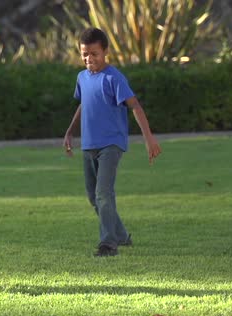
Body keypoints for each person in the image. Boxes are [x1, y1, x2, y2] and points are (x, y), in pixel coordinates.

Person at [62, 27, 162, 257]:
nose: (89, 58)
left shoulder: (114, 78)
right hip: (89, 144)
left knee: (103, 193)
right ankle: (122, 235)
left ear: (105, 52)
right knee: (94, 196)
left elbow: (134, 105)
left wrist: (148, 139)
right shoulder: (82, 78)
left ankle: (108, 244)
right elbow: (83, 104)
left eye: (94, 53)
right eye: (85, 54)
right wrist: (70, 132)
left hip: (111, 144)